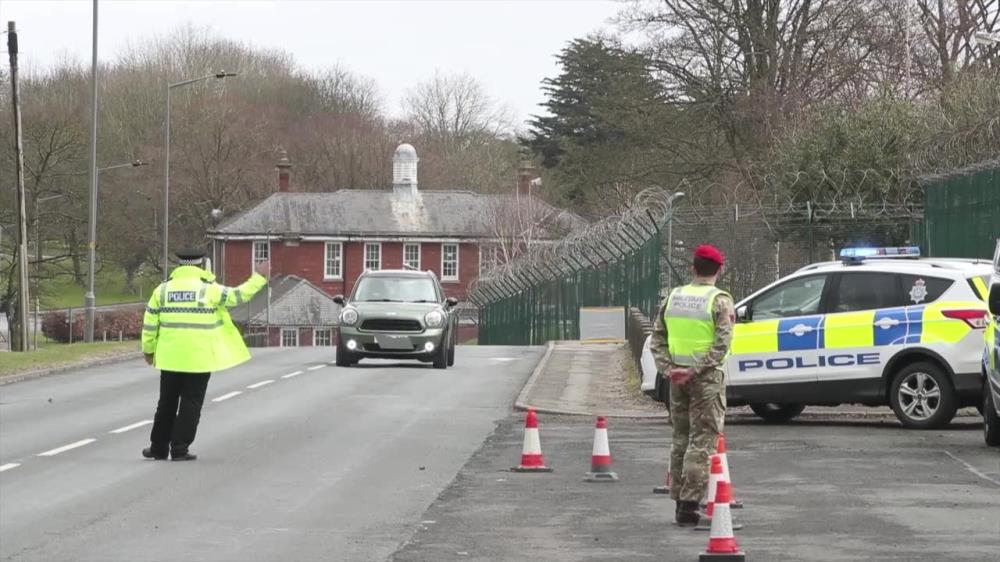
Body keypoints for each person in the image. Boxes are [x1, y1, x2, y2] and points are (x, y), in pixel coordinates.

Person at [141, 248, 270, 461]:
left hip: (170, 357)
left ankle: (159, 447)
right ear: (201, 266)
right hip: (200, 358)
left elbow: (150, 323)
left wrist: (148, 350)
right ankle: (180, 448)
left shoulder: (162, 291)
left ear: (179, 266)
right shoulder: (209, 290)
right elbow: (239, 295)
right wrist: (260, 277)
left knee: (166, 402)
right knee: (191, 403)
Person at [650, 244, 735, 525]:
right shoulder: (720, 301)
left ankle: (678, 500)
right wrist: (694, 370)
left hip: (677, 381)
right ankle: (689, 504)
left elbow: (657, 338)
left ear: (693, 268)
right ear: (719, 271)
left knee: (680, 439)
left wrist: (669, 369)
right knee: (702, 441)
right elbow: (721, 345)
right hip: (706, 380)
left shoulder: (673, 297)